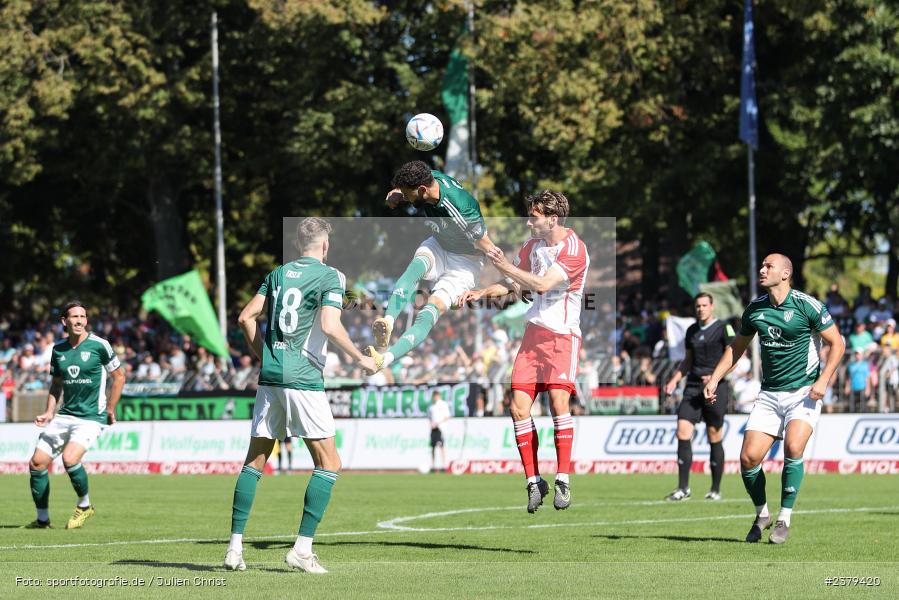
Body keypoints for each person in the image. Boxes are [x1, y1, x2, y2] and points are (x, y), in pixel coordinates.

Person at [223, 217, 376, 574]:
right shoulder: (331, 276)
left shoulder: (277, 274)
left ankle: (234, 549)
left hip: (271, 376)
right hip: (304, 377)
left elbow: (246, 317)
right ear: (325, 246)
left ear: (297, 244)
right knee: (329, 463)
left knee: (254, 461)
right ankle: (302, 550)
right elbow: (328, 324)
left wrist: (265, 357)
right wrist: (360, 359)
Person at [460, 190, 589, 513]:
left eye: (534, 216)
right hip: (533, 336)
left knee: (559, 402)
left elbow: (543, 285)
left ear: (552, 219)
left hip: (562, 337)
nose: (529, 221)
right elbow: (515, 286)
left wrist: (505, 266)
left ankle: (562, 479)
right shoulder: (531, 247)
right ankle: (534, 481)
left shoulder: (574, 249)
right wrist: (483, 292)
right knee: (518, 408)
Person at [704, 254, 844, 544]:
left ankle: (784, 518)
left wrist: (823, 379)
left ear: (785, 274)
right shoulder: (755, 309)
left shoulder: (808, 306)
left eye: (769, 266)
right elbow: (736, 347)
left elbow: (837, 342)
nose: (762, 269)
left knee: (793, 447)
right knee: (748, 458)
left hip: (803, 392)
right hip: (769, 394)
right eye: (762, 265)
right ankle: (762, 513)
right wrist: (715, 377)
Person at [365, 161, 497, 371]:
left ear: (423, 190)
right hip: (440, 243)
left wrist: (514, 275)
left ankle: (385, 359)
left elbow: (489, 248)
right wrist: (398, 191)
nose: (407, 199)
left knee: (428, 312)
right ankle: (388, 322)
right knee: (416, 267)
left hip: (465, 263)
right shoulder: (427, 177)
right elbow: (412, 182)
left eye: (409, 194)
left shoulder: (460, 209)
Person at [25, 301, 125, 529]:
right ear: (64, 321)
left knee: (69, 459)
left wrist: (110, 408)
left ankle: (85, 505)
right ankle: (42, 520)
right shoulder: (58, 349)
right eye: (74, 316)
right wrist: (49, 412)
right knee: (37, 463)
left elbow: (119, 377)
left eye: (83, 316)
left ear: (86, 320)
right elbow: (56, 384)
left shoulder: (100, 346)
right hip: (64, 416)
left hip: (91, 417)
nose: (79, 320)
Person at [663, 293, 735, 502]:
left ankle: (715, 489)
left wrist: (715, 377)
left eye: (704, 305)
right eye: (697, 306)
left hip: (716, 387)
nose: (701, 309)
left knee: (714, 434)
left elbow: (734, 358)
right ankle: (683, 488)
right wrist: (675, 379)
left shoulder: (724, 328)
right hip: (693, 387)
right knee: (682, 431)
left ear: (712, 306)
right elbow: (687, 361)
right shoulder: (691, 330)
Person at [427, 390, 451, 472]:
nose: (435, 398)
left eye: (436, 396)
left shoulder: (443, 404)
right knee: (433, 447)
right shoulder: (431, 406)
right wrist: (431, 424)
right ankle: (433, 466)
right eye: (434, 396)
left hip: (441, 428)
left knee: (442, 446)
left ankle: (444, 465)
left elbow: (447, 416)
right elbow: (430, 417)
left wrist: (438, 423)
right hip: (433, 429)